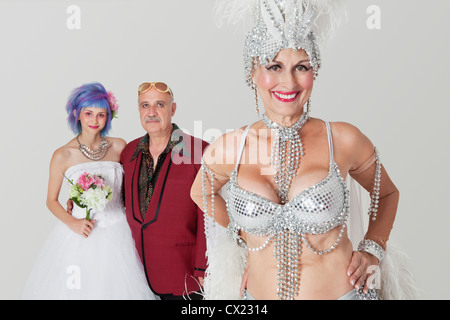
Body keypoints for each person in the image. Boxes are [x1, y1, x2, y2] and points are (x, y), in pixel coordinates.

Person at [191, 0, 417, 300]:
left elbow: (387, 193)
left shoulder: (342, 138)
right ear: (252, 71)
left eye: (301, 67)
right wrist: (243, 236)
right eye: (275, 66)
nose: (289, 81)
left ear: (315, 71)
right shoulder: (232, 146)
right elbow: (200, 191)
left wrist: (373, 248)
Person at [21, 82, 157, 299]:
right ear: (77, 114)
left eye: (101, 114)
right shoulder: (62, 155)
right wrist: (72, 222)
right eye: (89, 113)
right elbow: (51, 200)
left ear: (109, 116)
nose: (95, 120)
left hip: (120, 231)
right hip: (81, 233)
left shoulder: (119, 146)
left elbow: (136, 184)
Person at [120, 82, 208, 300]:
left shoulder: (200, 151)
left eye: (159, 104)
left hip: (186, 276)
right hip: (138, 275)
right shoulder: (129, 152)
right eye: (145, 105)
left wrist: (204, 269)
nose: (151, 112)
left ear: (173, 109)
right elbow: (119, 202)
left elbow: (209, 216)